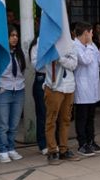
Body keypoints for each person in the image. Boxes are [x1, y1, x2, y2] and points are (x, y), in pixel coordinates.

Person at [33, 37, 80, 165]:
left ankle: (64, 149)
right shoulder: (44, 39)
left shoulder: (69, 42)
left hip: (68, 86)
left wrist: (59, 58)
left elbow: (73, 64)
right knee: (51, 120)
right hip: (53, 86)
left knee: (65, 119)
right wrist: (50, 58)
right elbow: (38, 65)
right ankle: (52, 150)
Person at [73, 21, 100, 157]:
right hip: (82, 88)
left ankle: (91, 141)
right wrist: (89, 45)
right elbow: (85, 60)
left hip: (92, 87)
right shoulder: (75, 46)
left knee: (91, 117)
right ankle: (82, 144)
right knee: (82, 117)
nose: (93, 34)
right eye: (91, 32)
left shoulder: (91, 45)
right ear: (86, 33)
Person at [0, 25, 26, 164]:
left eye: (16, 36)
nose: (14, 38)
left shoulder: (19, 53)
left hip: (18, 89)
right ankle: (2, 150)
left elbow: (22, 71)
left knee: (14, 123)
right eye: (11, 35)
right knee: (3, 124)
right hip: (3, 90)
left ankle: (11, 148)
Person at [29, 36, 47, 154]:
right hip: (42, 78)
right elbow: (36, 64)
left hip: (57, 79)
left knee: (55, 114)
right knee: (42, 114)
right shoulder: (37, 43)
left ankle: (53, 140)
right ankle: (43, 143)